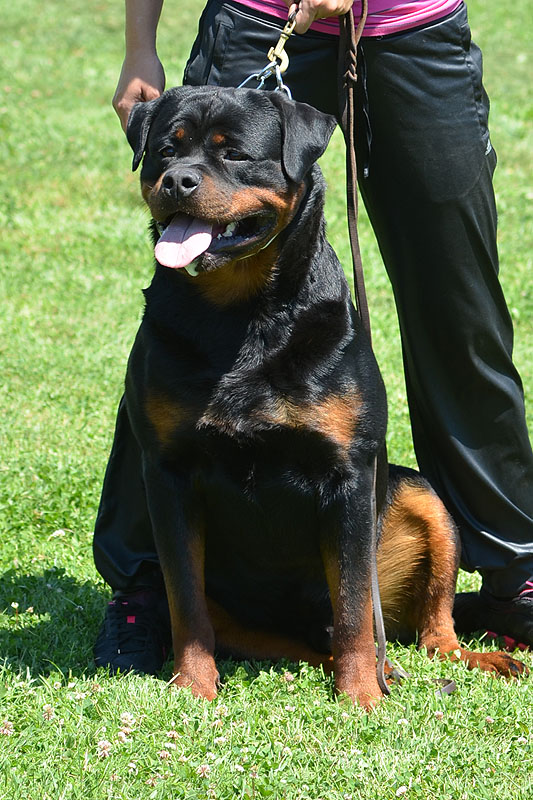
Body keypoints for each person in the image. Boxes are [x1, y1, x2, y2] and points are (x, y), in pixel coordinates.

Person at [93, 0, 533, 675]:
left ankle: (512, 576)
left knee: (460, 314)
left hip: (413, 25)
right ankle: (145, 590)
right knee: (179, 336)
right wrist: (138, 43)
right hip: (256, 18)